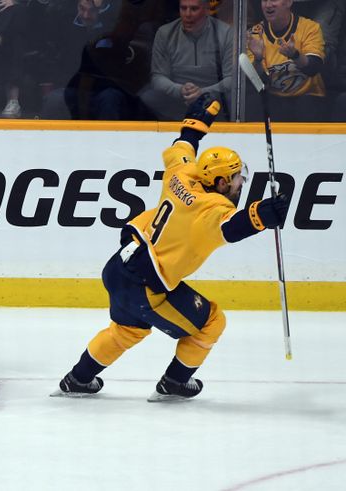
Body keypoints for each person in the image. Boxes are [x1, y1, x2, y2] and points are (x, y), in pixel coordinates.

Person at [52, 94, 290, 401]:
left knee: (126, 331)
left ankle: (77, 380)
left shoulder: (183, 173)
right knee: (212, 322)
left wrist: (196, 123)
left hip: (119, 267)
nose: (239, 185)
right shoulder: (211, 208)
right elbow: (232, 227)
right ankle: (175, 383)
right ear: (218, 182)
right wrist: (262, 215)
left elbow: (184, 146)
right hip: (146, 285)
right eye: (234, 180)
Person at [139, 0, 233, 121]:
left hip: (213, 96)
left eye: (194, 9)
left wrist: (203, 92)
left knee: (234, 99)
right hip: (175, 95)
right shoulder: (165, 33)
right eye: (183, 8)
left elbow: (232, 79)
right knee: (146, 97)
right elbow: (158, 77)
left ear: (207, 10)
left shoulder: (226, 33)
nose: (187, 14)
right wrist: (179, 90)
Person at [245, 0, 327, 121]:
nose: (268, 5)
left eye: (273, 0)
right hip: (275, 99)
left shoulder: (310, 27)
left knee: (306, 105)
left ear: (289, 2)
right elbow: (259, 82)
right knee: (255, 103)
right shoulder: (254, 35)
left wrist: (295, 55)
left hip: (309, 97)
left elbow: (313, 67)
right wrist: (258, 58)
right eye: (264, 0)